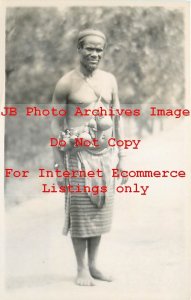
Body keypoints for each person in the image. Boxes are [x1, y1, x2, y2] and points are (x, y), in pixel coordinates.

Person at [51, 29, 127, 286]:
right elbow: (55, 124)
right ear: (79, 49)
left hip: (106, 157)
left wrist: (122, 159)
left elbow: (118, 119)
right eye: (89, 48)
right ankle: (81, 268)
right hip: (78, 156)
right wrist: (59, 168)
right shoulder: (66, 83)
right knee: (81, 213)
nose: (95, 53)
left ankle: (94, 265)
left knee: (101, 211)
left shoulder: (110, 80)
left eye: (99, 49)